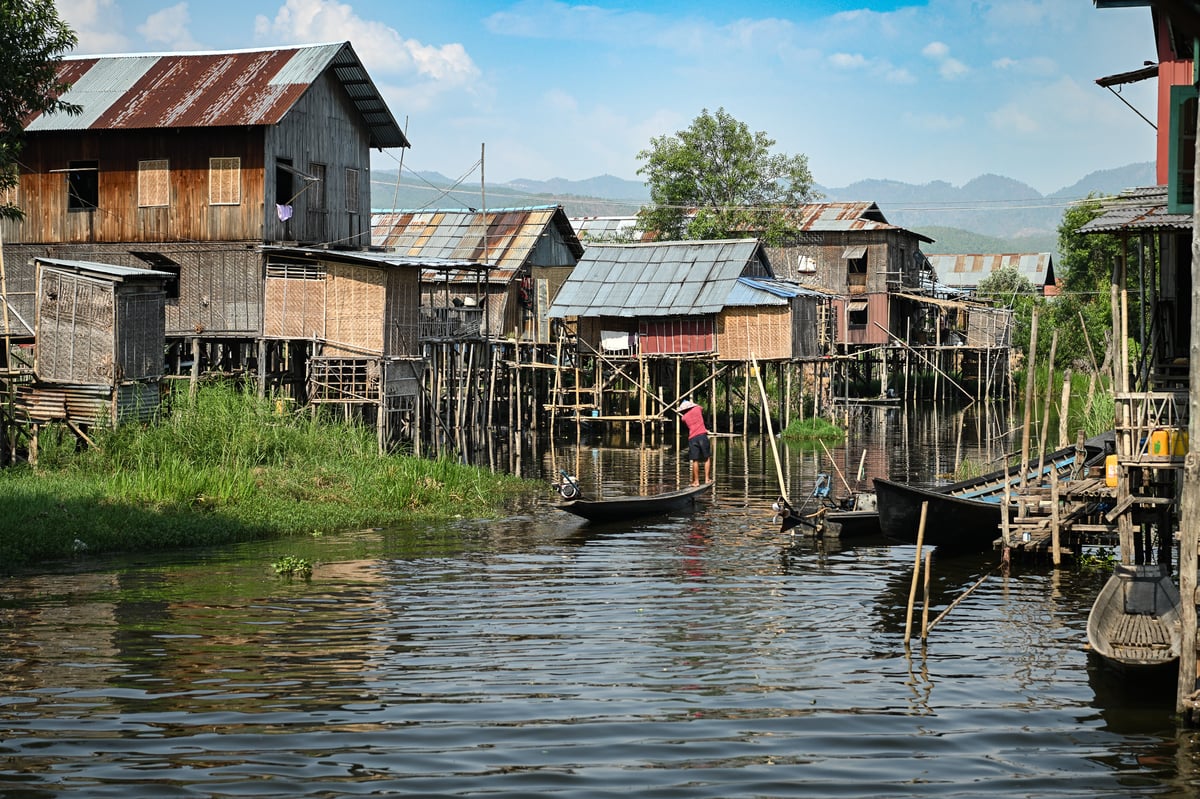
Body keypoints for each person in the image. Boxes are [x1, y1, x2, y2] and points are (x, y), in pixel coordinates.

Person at [678, 399, 712, 486]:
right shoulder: (697, 409)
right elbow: (701, 407)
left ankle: (696, 481)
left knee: (695, 460)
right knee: (706, 458)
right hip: (702, 436)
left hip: (692, 438)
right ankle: (707, 479)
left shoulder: (684, 418)